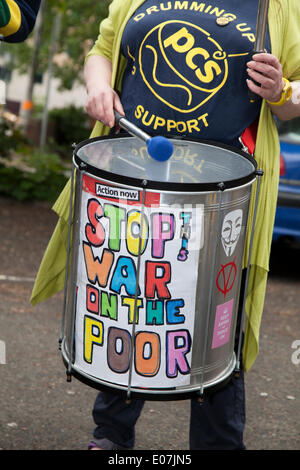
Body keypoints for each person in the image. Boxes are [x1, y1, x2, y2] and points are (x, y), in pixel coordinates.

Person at [30, 0, 300, 450]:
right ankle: (111, 436)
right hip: (129, 180)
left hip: (221, 196)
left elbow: (295, 100)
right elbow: (102, 48)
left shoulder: (279, 6)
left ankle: (218, 445)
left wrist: (282, 91)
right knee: (128, 304)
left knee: (217, 322)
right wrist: (98, 87)